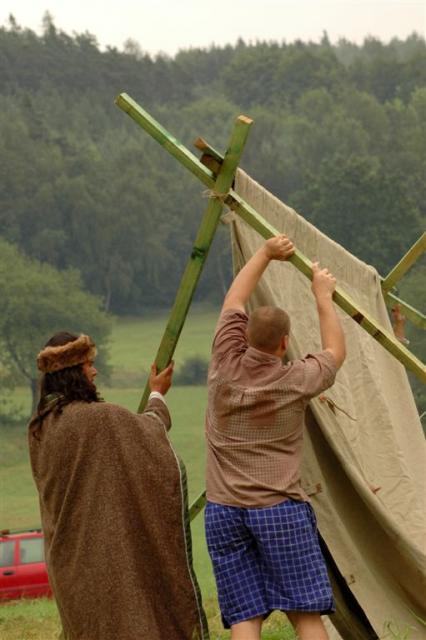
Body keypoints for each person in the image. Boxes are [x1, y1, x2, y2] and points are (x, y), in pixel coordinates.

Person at [204, 235, 346, 640]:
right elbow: (335, 351)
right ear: (285, 344)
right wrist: (322, 295)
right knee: (305, 614)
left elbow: (234, 300)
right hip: (278, 509)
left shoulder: (223, 364)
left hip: (223, 511)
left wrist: (265, 252)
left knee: (246, 617)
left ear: (244, 336)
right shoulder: (295, 380)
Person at [28, 331, 209, 640]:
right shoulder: (97, 419)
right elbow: (152, 428)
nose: (94, 371)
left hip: (66, 563)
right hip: (105, 561)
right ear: (73, 372)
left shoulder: (39, 428)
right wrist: (158, 393)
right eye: (88, 364)